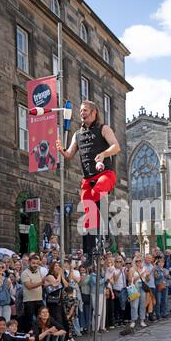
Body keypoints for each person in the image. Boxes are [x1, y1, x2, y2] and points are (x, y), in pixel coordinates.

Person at [56, 100, 120, 254]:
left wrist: (104, 154)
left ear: (94, 113)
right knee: (88, 210)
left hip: (105, 174)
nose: (82, 113)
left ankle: (106, 230)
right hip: (87, 179)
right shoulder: (77, 135)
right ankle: (91, 251)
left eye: (85, 110)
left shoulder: (104, 129)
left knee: (98, 190)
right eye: (81, 111)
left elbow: (116, 147)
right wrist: (60, 149)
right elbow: (70, 154)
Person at [21, 254, 44, 333]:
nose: (35, 265)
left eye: (37, 263)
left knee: (41, 320)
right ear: (29, 262)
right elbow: (29, 286)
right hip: (29, 301)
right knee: (29, 321)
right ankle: (27, 338)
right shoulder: (25, 273)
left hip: (39, 299)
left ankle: (40, 338)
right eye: (33, 263)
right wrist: (41, 283)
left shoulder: (39, 271)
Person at [128, 255, 150, 328]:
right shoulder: (132, 269)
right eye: (137, 261)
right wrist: (141, 274)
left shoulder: (144, 268)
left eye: (140, 261)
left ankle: (142, 320)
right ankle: (133, 320)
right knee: (134, 305)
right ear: (134, 262)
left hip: (143, 287)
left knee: (142, 304)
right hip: (135, 287)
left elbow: (148, 280)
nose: (138, 262)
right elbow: (130, 280)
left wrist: (148, 275)